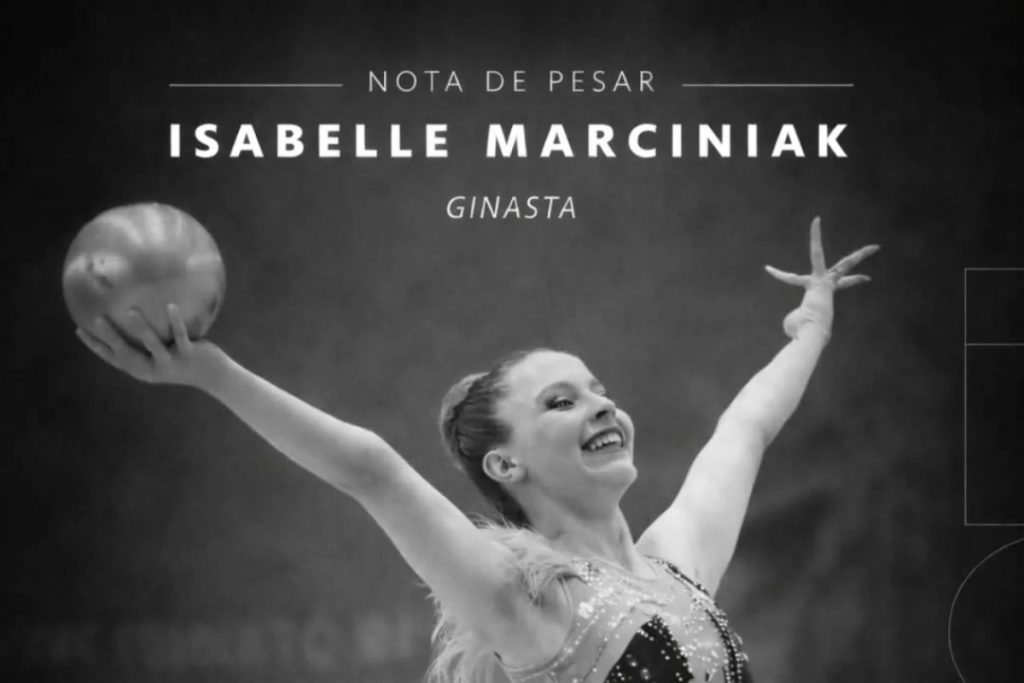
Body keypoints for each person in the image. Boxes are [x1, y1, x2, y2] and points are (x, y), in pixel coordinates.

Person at [75, 217, 878, 682]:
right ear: (505, 464)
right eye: (560, 401)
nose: (601, 404)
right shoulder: (521, 600)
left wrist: (810, 328)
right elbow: (371, 469)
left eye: (599, 389)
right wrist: (211, 373)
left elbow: (745, 429)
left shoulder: (678, 565)